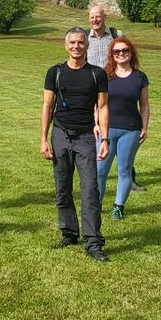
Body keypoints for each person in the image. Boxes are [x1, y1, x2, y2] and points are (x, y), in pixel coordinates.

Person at [40, 26, 110, 262]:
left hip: (86, 137)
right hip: (60, 134)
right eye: (72, 43)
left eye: (81, 43)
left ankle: (93, 241)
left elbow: (102, 107)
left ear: (87, 45)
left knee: (90, 187)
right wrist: (43, 139)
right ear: (66, 45)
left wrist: (105, 139)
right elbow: (47, 106)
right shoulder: (55, 72)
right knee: (62, 187)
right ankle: (69, 232)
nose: (77, 46)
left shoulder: (97, 74)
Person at [87, 6, 143, 192]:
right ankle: (94, 176)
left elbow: (125, 53)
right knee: (96, 132)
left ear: (105, 18)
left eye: (99, 17)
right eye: (92, 17)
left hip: (114, 83)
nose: (95, 20)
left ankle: (129, 178)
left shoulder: (115, 34)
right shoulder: (86, 38)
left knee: (122, 133)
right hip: (93, 88)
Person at [95, 37, 150, 221]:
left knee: (124, 170)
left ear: (131, 52)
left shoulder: (140, 77)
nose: (121, 54)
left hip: (130, 130)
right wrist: (95, 124)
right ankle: (97, 203)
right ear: (112, 54)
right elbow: (98, 104)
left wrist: (144, 126)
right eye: (116, 51)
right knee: (100, 170)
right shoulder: (105, 75)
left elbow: (144, 105)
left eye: (124, 50)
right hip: (106, 130)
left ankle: (118, 207)